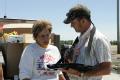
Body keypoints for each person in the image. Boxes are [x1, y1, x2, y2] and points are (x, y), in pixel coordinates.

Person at [62, 4, 112, 80]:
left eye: (73, 22)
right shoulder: (79, 39)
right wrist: (69, 57)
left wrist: (80, 74)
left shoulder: (98, 39)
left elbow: (106, 69)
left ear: (83, 21)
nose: (71, 25)